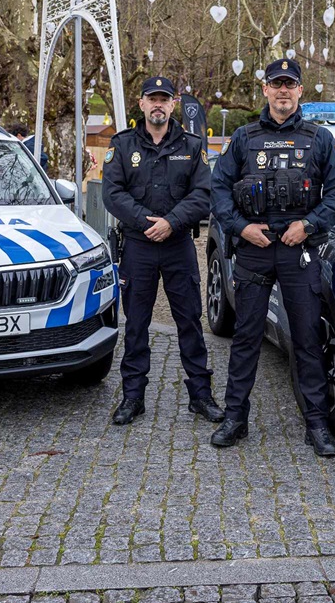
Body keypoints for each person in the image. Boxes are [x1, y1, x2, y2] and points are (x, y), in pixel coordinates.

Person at [209, 58, 335, 457]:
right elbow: (218, 189)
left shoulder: (319, 139)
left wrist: (307, 225)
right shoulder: (243, 138)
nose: (283, 90)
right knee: (246, 338)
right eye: (277, 84)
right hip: (254, 249)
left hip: (297, 250)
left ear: (300, 91)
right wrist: (241, 228)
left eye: (290, 84)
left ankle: (317, 425)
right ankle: (235, 419)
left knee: (306, 339)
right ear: (266, 90)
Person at [100, 76, 224, 425]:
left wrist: (170, 222)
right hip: (137, 247)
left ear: (173, 104)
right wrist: (145, 221)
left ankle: (200, 396)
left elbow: (203, 194)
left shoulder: (191, 144)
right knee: (136, 324)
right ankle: (132, 397)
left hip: (178, 245)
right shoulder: (122, 145)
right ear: (141, 104)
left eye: (164, 99)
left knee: (190, 321)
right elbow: (112, 193)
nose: (158, 105)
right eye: (151, 99)